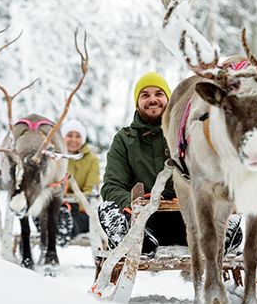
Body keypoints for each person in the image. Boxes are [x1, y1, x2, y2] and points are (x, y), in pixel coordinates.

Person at [98, 72, 242, 257]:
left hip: (187, 221)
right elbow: (112, 185)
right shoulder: (124, 140)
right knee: (107, 209)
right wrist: (134, 204)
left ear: (168, 99)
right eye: (145, 95)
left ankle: (221, 236)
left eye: (158, 94)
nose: (152, 100)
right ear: (137, 102)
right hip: (144, 223)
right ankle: (138, 241)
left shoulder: (186, 134)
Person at [56, 119, 100, 246]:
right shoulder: (57, 158)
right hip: (58, 204)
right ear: (63, 137)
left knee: (76, 219)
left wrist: (76, 202)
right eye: (69, 135)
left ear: (83, 138)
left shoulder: (92, 160)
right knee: (51, 211)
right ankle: (59, 224)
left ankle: (65, 228)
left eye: (78, 136)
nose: (74, 140)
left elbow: (90, 188)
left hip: (81, 207)